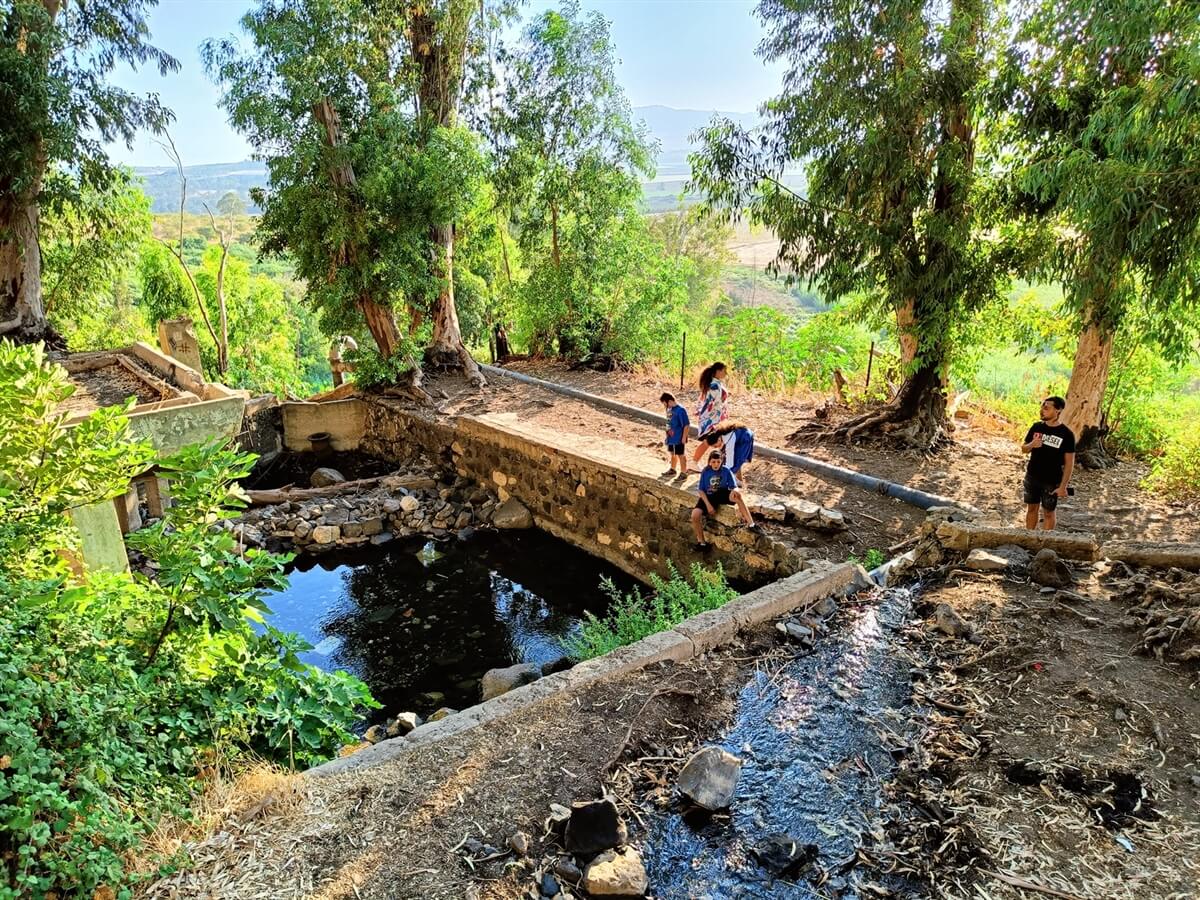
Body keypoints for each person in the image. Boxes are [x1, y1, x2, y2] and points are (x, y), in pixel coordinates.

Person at [1021, 396, 1076, 531]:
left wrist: (1063, 486)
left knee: (1048, 512)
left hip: (1051, 480)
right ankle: (1029, 536)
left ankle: (1046, 542)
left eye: (1046, 408)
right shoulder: (1036, 427)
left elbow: (1069, 463)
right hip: (1032, 476)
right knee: (1032, 508)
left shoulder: (1067, 434)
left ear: (1058, 410)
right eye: (1042, 407)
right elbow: (1024, 449)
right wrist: (1032, 445)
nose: (1042, 410)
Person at [691, 450, 757, 550]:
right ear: (709, 461)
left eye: (718, 462)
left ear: (722, 461)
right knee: (695, 515)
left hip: (721, 493)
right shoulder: (706, 471)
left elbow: (734, 486)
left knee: (737, 496)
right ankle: (702, 543)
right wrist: (708, 505)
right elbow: (701, 490)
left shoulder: (726, 470)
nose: (716, 464)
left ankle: (751, 524)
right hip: (708, 496)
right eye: (713, 462)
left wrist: (735, 491)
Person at [691, 361, 729, 467]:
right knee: (709, 441)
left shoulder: (716, 383)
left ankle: (720, 464)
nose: (726, 374)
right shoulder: (714, 385)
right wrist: (717, 420)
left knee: (718, 441)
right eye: (724, 371)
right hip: (713, 419)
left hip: (716, 418)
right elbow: (712, 403)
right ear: (718, 371)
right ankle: (694, 462)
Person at [660, 392, 691, 478]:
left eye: (665, 404)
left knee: (680, 454)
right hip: (671, 438)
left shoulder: (680, 411)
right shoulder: (669, 410)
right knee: (673, 453)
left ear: (669, 401)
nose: (664, 406)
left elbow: (686, 425)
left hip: (679, 438)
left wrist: (684, 437)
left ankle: (684, 472)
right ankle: (673, 469)